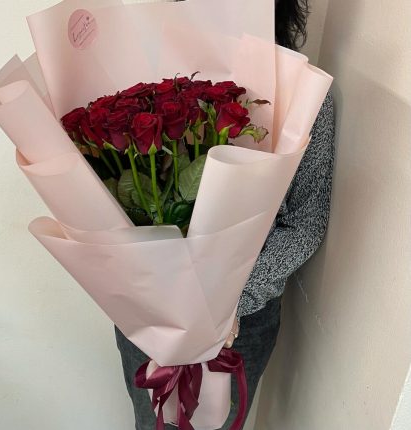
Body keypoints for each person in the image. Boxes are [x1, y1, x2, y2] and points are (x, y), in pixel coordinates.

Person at [114, 0, 335, 428]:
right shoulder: (148, 84)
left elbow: (305, 222)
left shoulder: (304, 96)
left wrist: (227, 301)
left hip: (240, 325)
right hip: (152, 316)